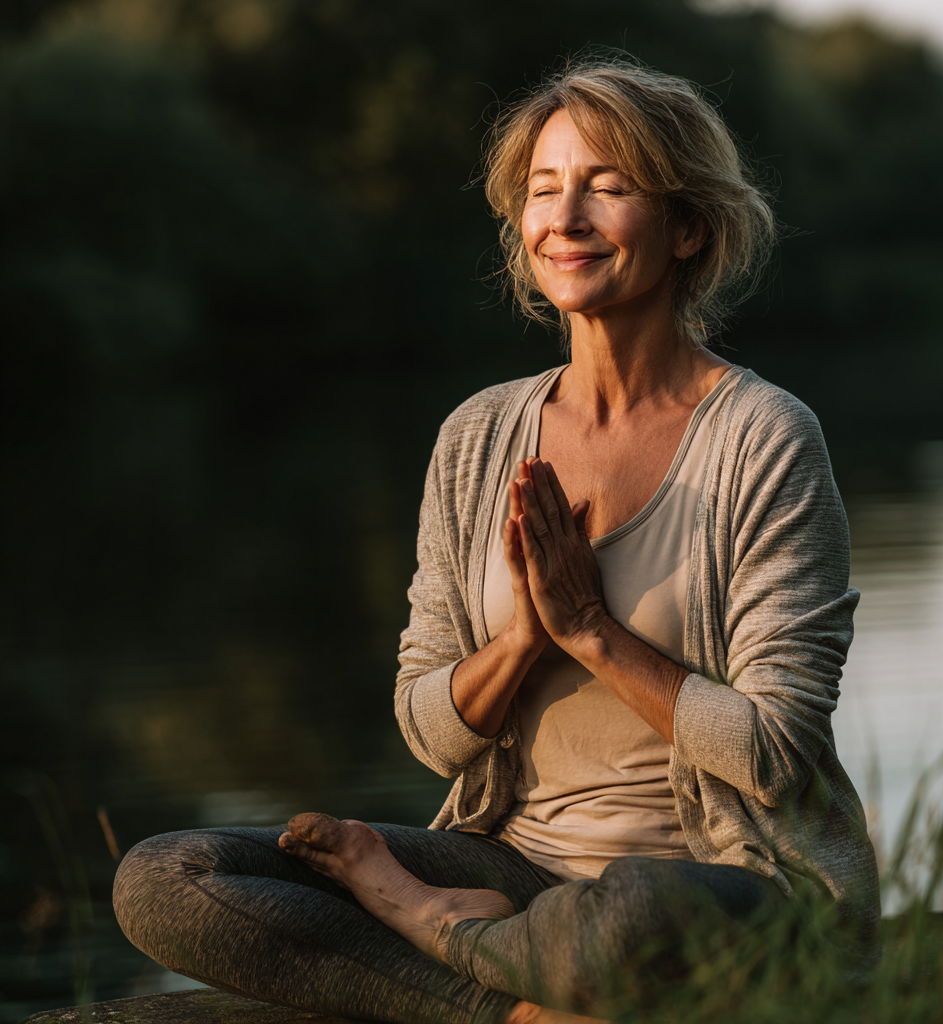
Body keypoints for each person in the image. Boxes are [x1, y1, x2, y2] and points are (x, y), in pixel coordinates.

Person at [113, 59, 880, 1024]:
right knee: (166, 876)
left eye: (609, 187)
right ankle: (526, 1001)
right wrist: (523, 639)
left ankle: (435, 926)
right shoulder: (478, 438)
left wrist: (593, 632)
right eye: (544, 190)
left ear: (690, 227)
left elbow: (776, 753)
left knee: (632, 909)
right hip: (518, 863)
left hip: (715, 881)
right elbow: (430, 733)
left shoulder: (763, 437)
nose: (566, 218)